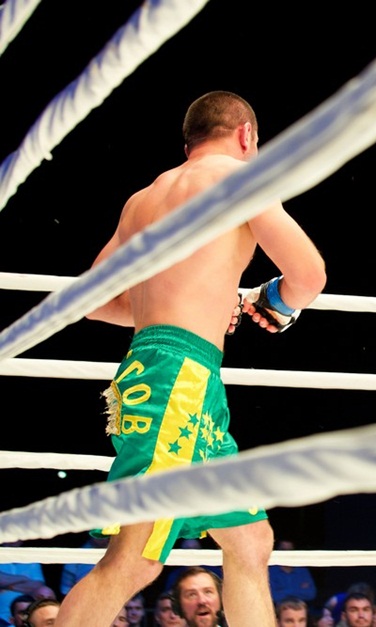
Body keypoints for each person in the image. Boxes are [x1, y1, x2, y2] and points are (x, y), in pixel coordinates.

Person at [55, 90, 326, 627]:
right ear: (246, 135)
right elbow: (310, 276)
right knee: (134, 559)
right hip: (177, 381)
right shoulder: (240, 180)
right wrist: (274, 302)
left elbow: (91, 302)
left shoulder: (144, 198)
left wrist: (187, 307)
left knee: (250, 540)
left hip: (167, 373)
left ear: (189, 143)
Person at [269, 539, 317, 606]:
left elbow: (311, 594)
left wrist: (284, 592)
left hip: (301, 608)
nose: (286, 554)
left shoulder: (302, 571)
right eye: (283, 550)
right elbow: (273, 596)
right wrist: (298, 590)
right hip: (276, 609)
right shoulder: (270, 572)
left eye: (290, 550)